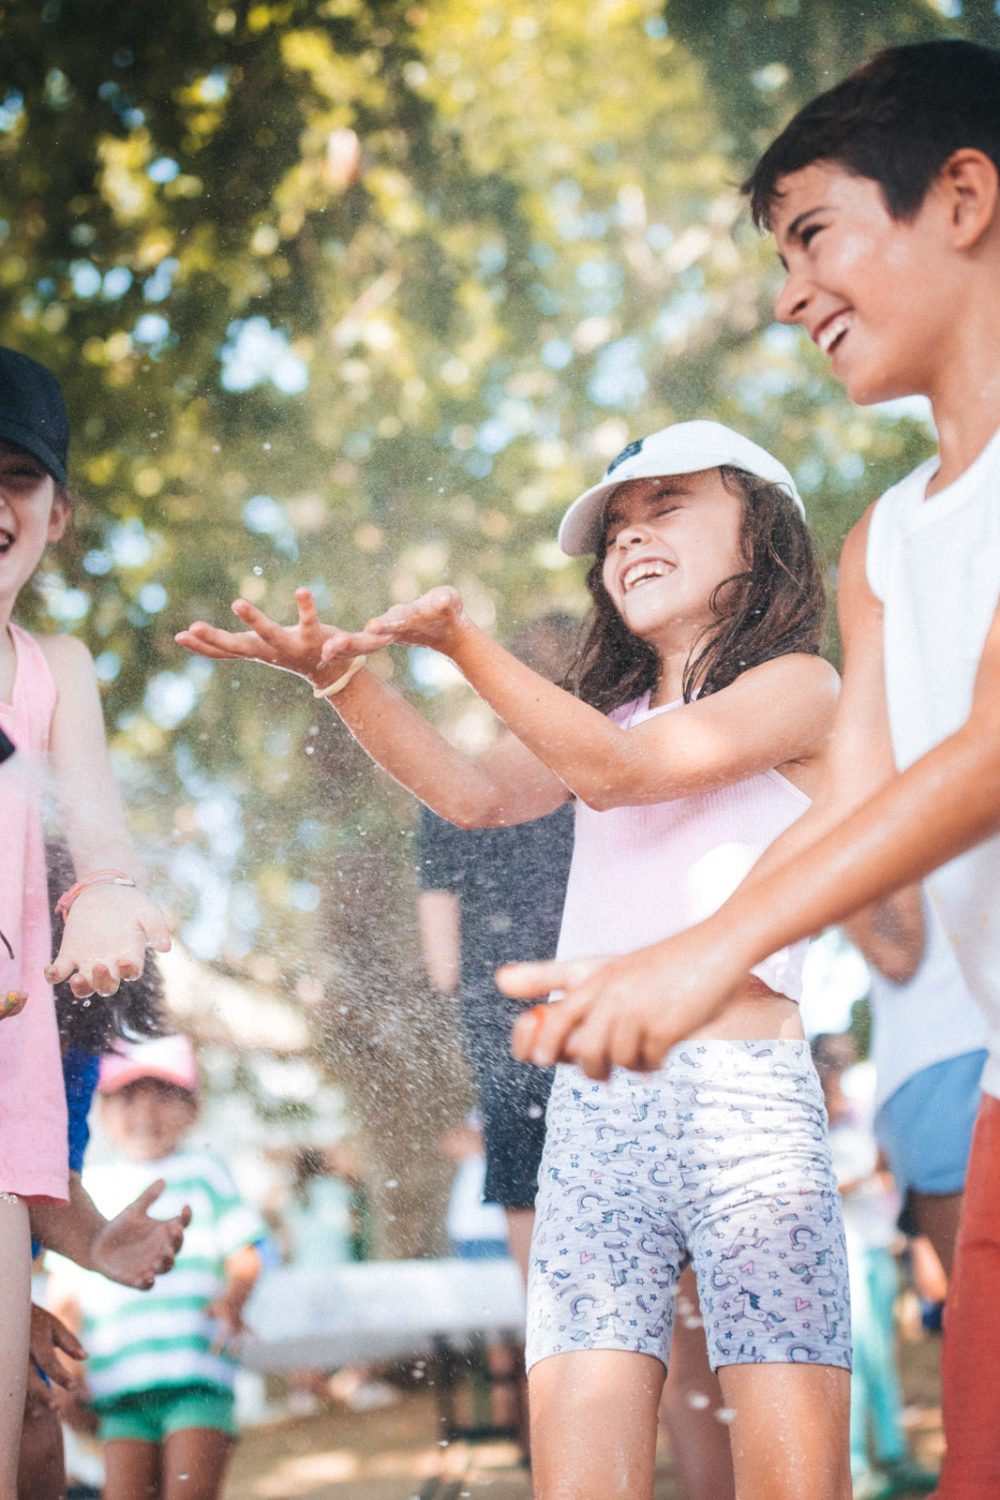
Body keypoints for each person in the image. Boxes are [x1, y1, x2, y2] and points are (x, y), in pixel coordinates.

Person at [493, 40, 1000, 1499]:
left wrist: (706, 955)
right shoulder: (884, 542)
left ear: (963, 198)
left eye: (815, 235)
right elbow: (864, 816)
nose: (790, 293)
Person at [177, 417, 851, 1500]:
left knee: (790, 1478)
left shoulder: (801, 686)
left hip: (747, 1106)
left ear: (762, 531)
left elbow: (621, 774)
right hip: (592, 1116)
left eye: (667, 506)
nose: (630, 537)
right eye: (615, 528)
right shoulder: (606, 713)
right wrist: (347, 683)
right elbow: (475, 794)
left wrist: (464, 644)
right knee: (579, 1468)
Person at [0, 346, 171, 1500]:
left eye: (16, 476)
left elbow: (100, 838)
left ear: (57, 515)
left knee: (28, 1442)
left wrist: (107, 889)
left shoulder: (53, 670)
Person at [416, 616, 576, 1281]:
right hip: (601, 1008)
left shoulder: (448, 790)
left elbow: (444, 967)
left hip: (506, 1028)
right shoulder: (601, 781)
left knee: (527, 1193)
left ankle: (552, 1336)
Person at [47, 1034, 265, 1500]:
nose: (145, 1113)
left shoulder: (205, 1173)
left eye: (163, 1097)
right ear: (103, 1111)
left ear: (193, 1109)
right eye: (128, 1098)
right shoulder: (90, 1189)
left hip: (197, 1375)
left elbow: (245, 1252)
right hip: (118, 1386)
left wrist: (232, 1302)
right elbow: (68, 1294)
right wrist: (66, 1369)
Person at [814, 1033, 936, 1500]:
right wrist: (867, 1175)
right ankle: (857, 1468)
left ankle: (894, 1452)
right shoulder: (813, 1127)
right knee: (856, 1363)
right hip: (843, 1254)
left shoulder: (858, 1117)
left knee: (883, 1357)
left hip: (876, 1247)